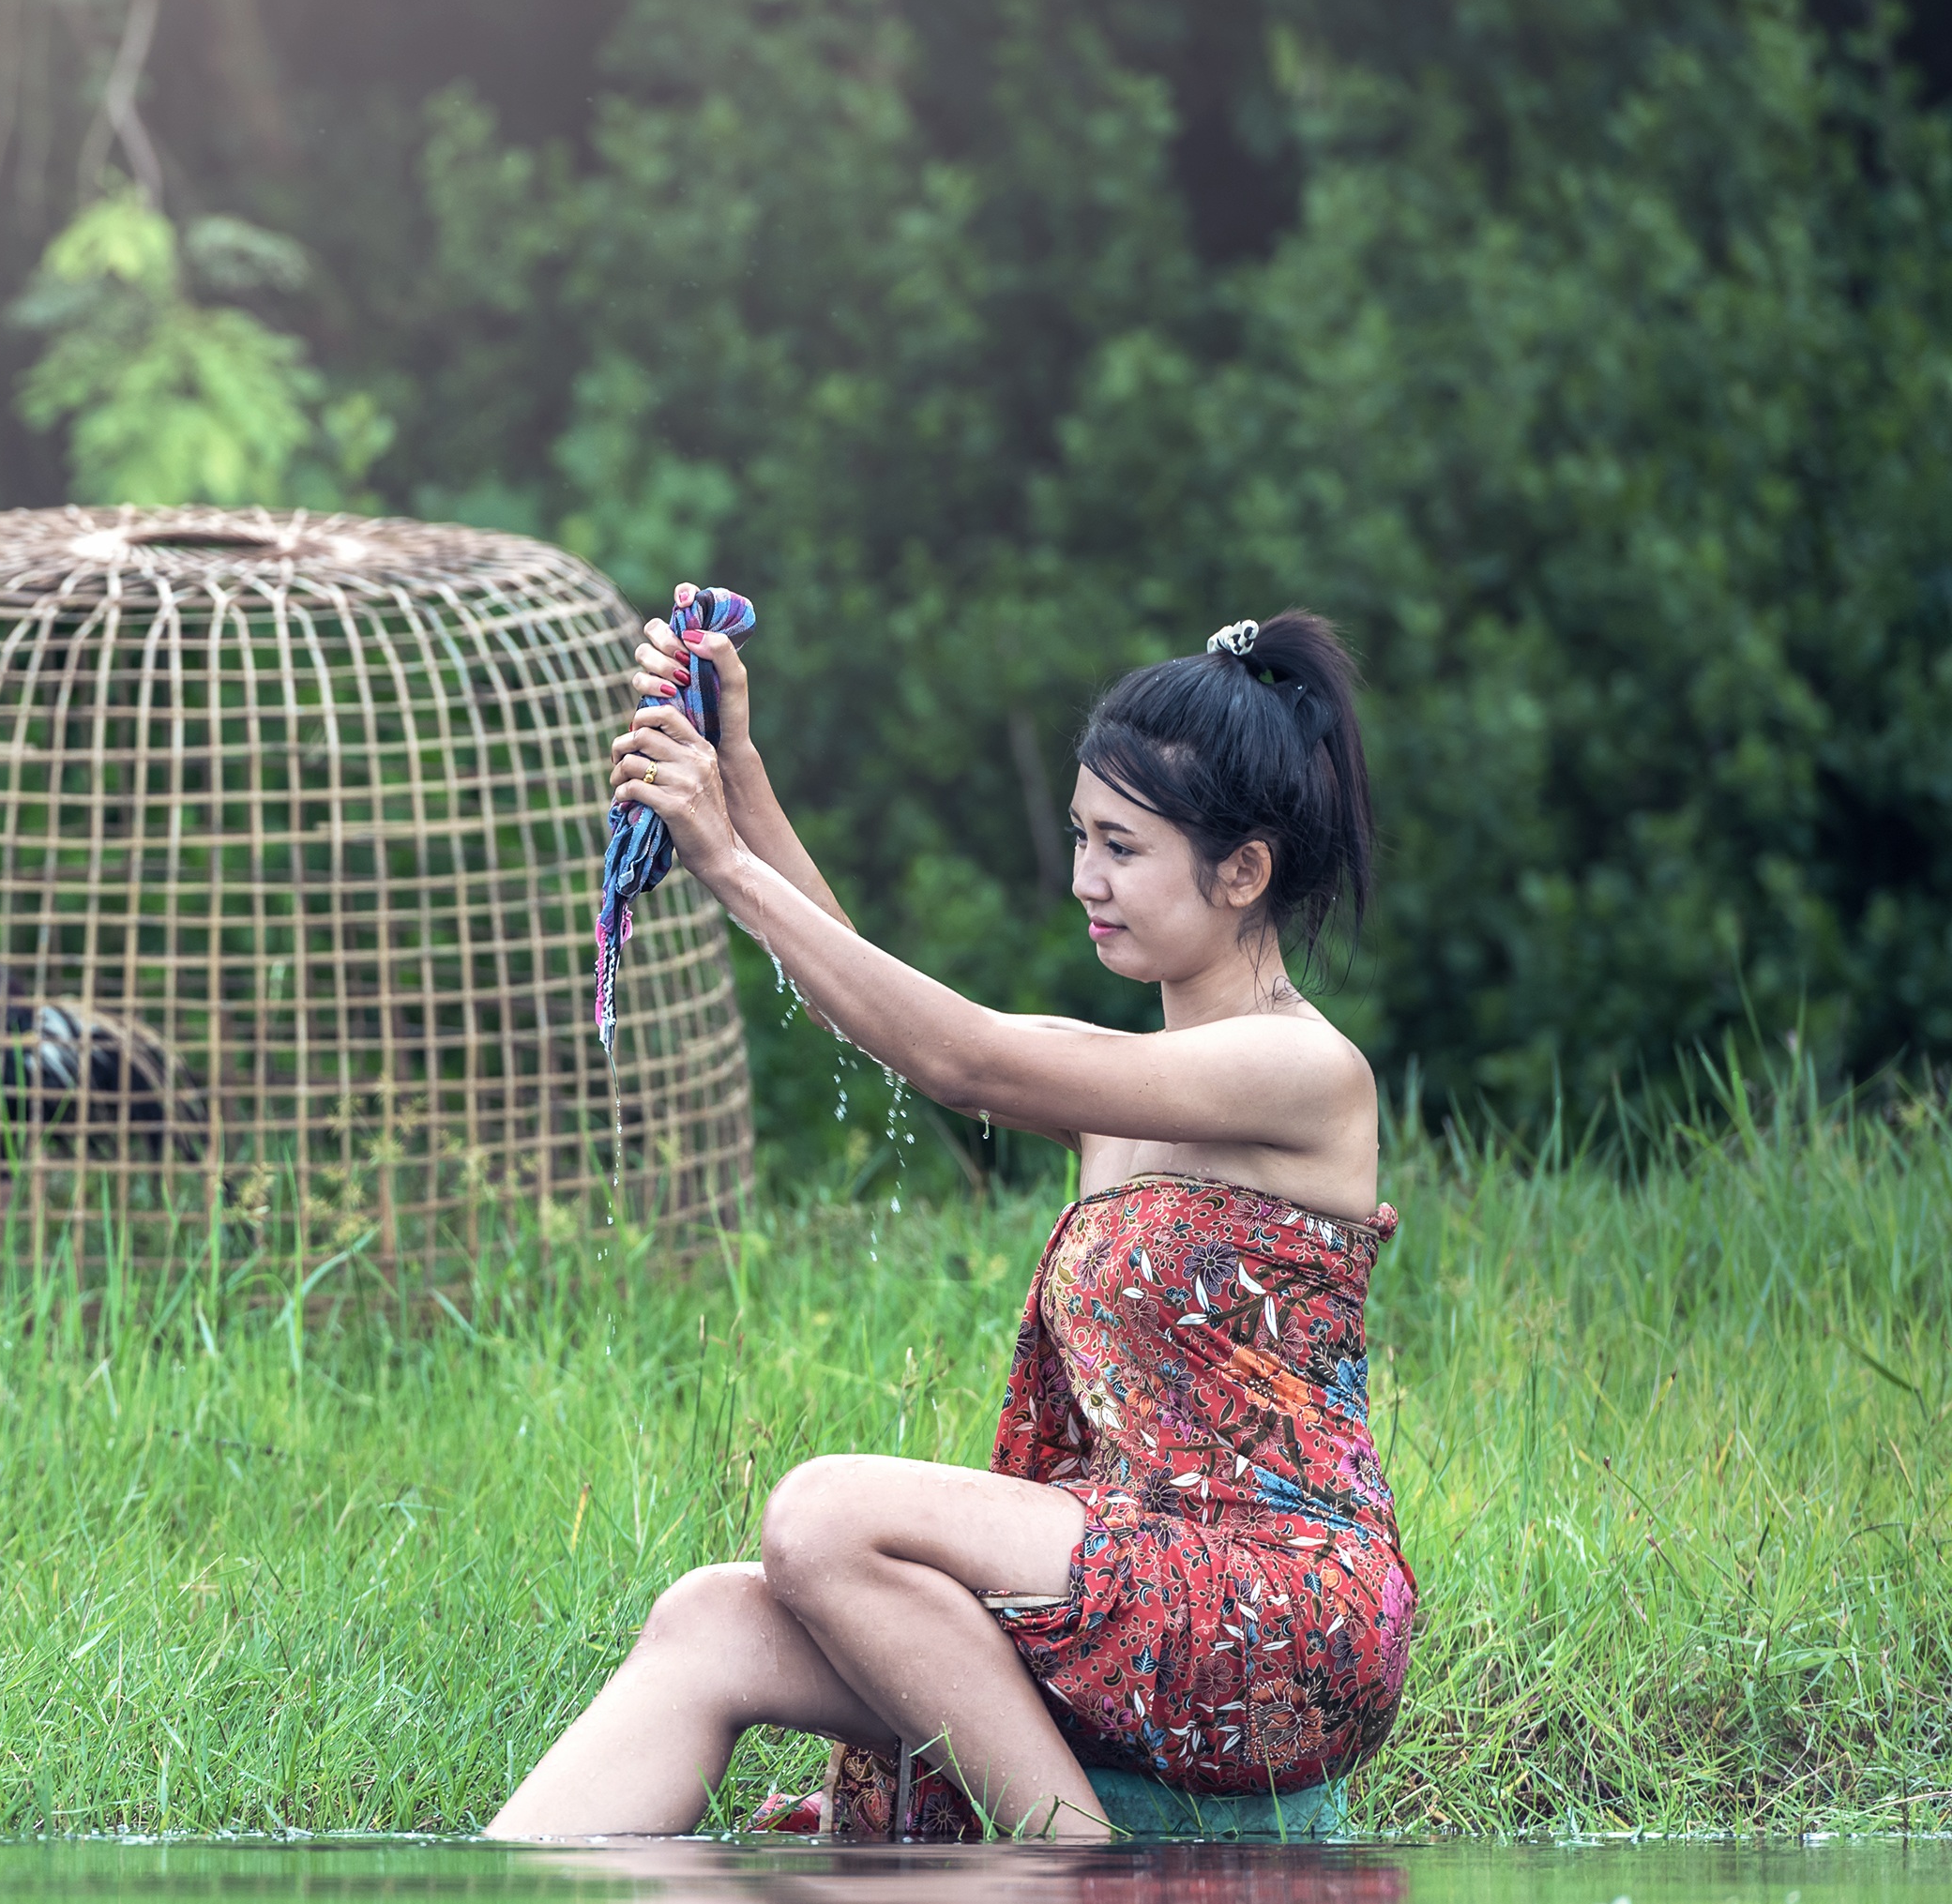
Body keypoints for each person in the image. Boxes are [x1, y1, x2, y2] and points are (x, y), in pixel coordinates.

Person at [486, 610, 1411, 1841]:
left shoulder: (1306, 1074)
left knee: (823, 1514)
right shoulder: (1126, 1088)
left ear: (1242, 872)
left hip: (1277, 1608)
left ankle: (1062, 1857)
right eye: (1083, 837)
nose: (1085, 878)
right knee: (711, 1617)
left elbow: (962, 1055)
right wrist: (741, 770)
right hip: (1132, 1583)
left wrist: (719, 851)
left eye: (1123, 848)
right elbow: (892, 1015)